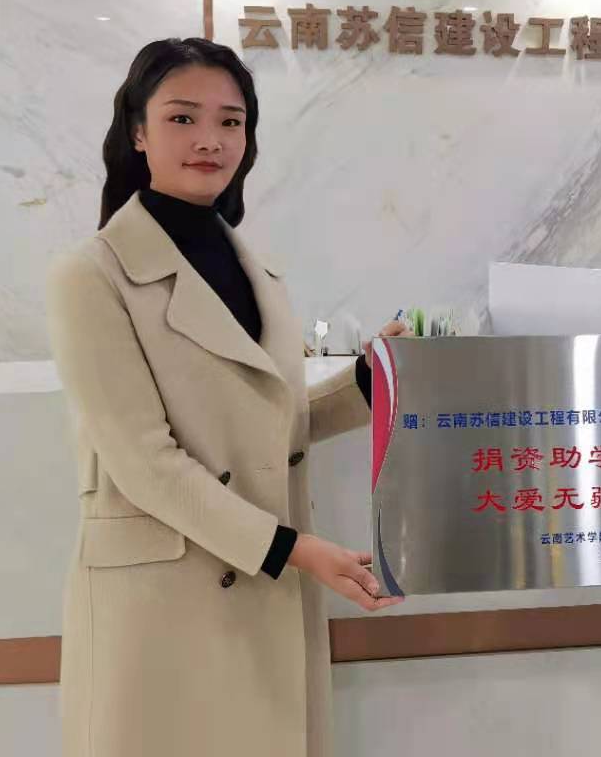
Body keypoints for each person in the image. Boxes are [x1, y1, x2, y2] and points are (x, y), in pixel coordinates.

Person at [46, 37, 405, 757]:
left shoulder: (256, 271)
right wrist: (294, 550)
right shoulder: (91, 274)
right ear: (138, 132)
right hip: (164, 599)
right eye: (182, 118)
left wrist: (373, 379)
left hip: (264, 578)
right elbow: (144, 461)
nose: (210, 140)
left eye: (231, 121)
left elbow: (271, 425)